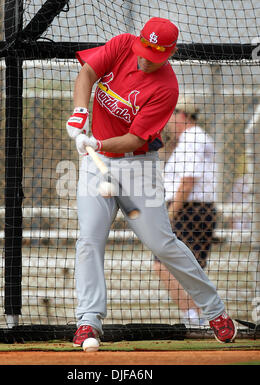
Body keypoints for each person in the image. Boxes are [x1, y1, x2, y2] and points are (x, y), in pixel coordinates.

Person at [65, 17, 237, 350]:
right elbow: (87, 73)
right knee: (89, 240)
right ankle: (88, 321)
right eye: (144, 51)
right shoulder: (121, 45)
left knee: (162, 245)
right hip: (94, 168)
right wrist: (80, 113)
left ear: (168, 54)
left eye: (154, 56)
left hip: (137, 169)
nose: (145, 59)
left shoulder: (166, 89)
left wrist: (98, 145)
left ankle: (214, 310)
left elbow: (132, 139)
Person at [154, 96, 218, 326]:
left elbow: (188, 181)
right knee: (188, 267)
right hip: (196, 210)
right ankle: (199, 316)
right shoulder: (192, 139)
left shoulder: (192, 139)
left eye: (171, 115)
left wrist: (170, 215)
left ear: (181, 115)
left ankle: (195, 317)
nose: (168, 121)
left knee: (163, 264)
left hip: (189, 210)